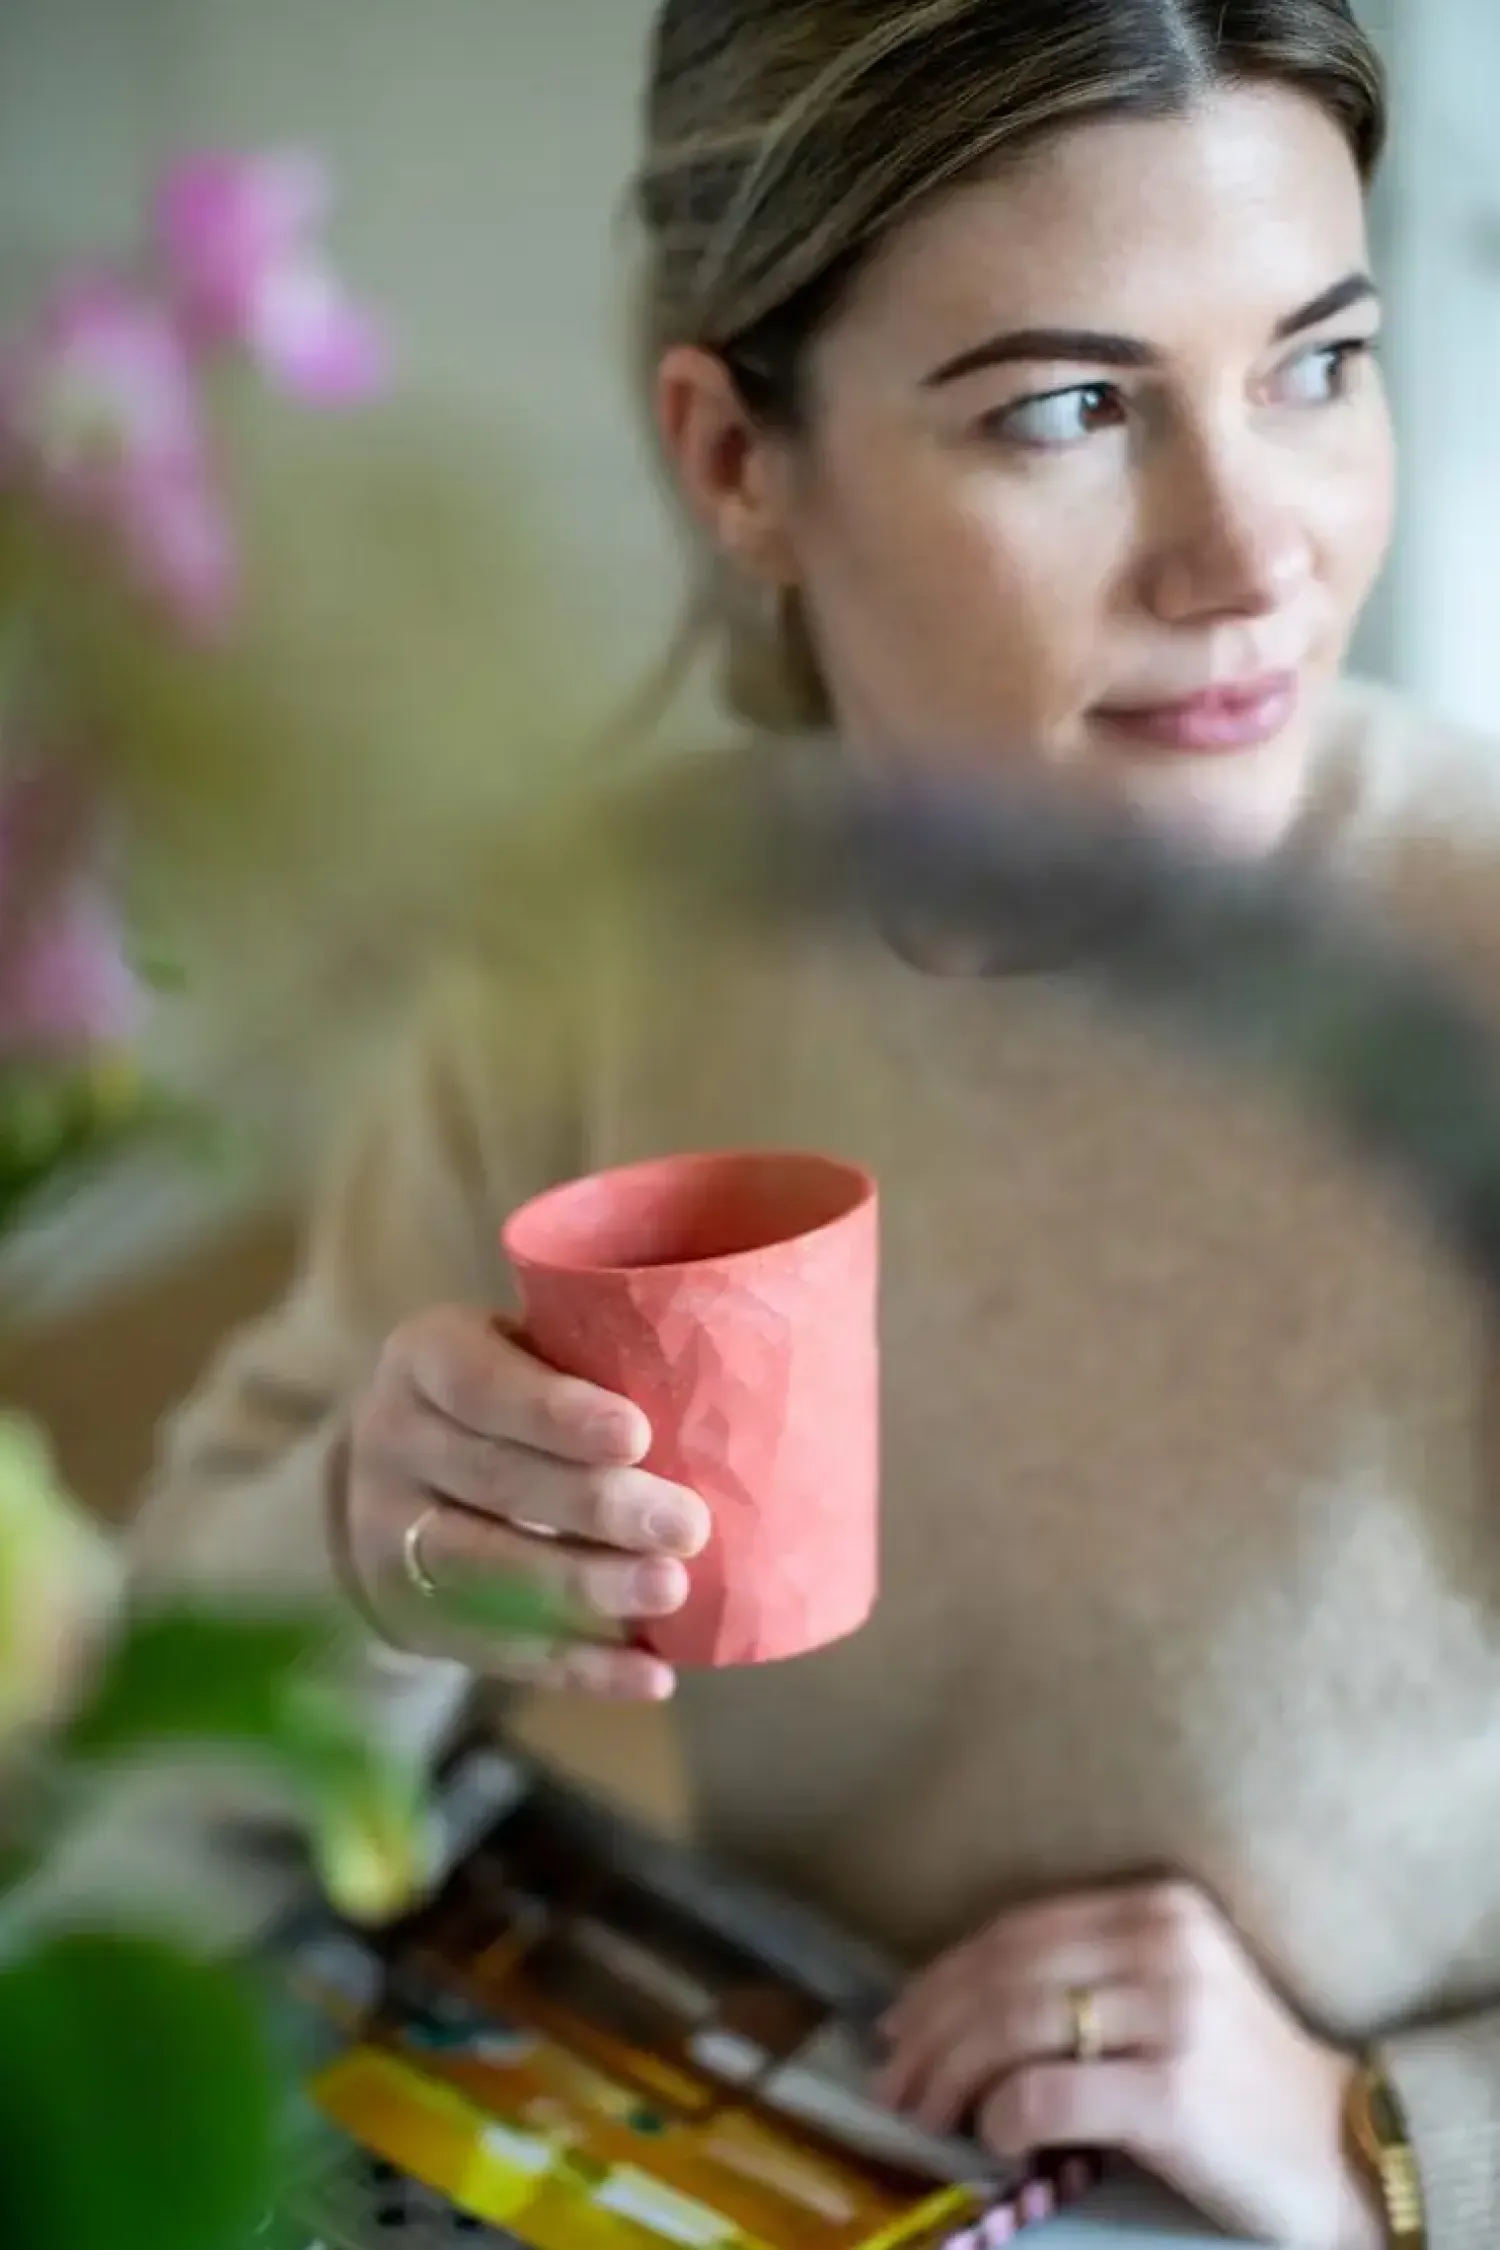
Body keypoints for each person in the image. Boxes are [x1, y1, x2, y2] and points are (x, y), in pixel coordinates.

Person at [132, 3, 1500, 2242]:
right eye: (1072, 408)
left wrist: (1392, 2138)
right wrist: (377, 1558)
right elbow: (165, 1723)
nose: (1251, 553)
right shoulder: (600, 957)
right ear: (736, 459)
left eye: (1319, 365)